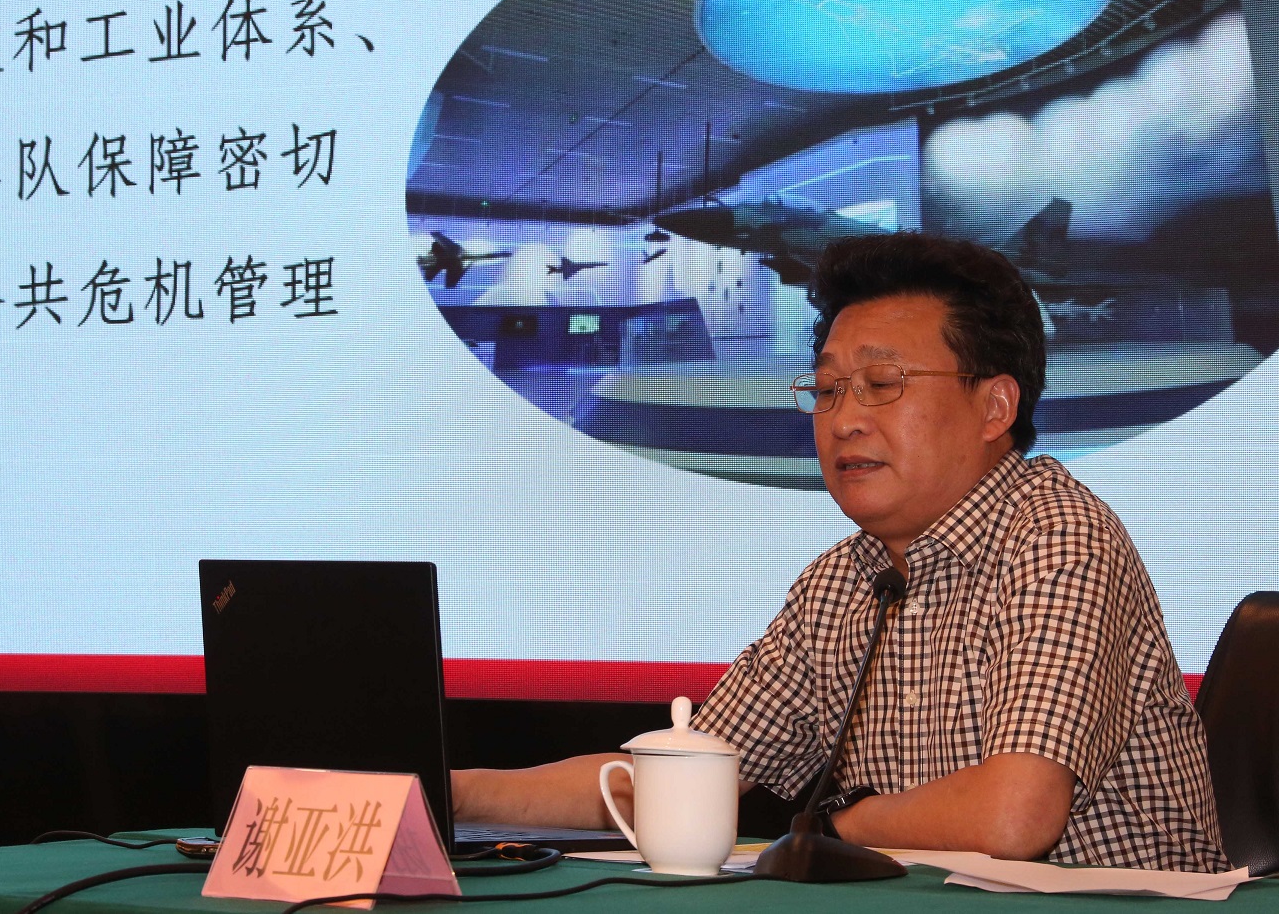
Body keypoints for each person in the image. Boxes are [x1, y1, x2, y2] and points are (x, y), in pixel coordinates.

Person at [453, 233, 1227, 872]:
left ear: (994, 405)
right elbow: (677, 780)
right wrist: (448, 791)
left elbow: (1013, 815)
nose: (843, 419)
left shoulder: (1057, 532)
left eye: (881, 382)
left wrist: (838, 824)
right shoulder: (840, 582)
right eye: (826, 390)